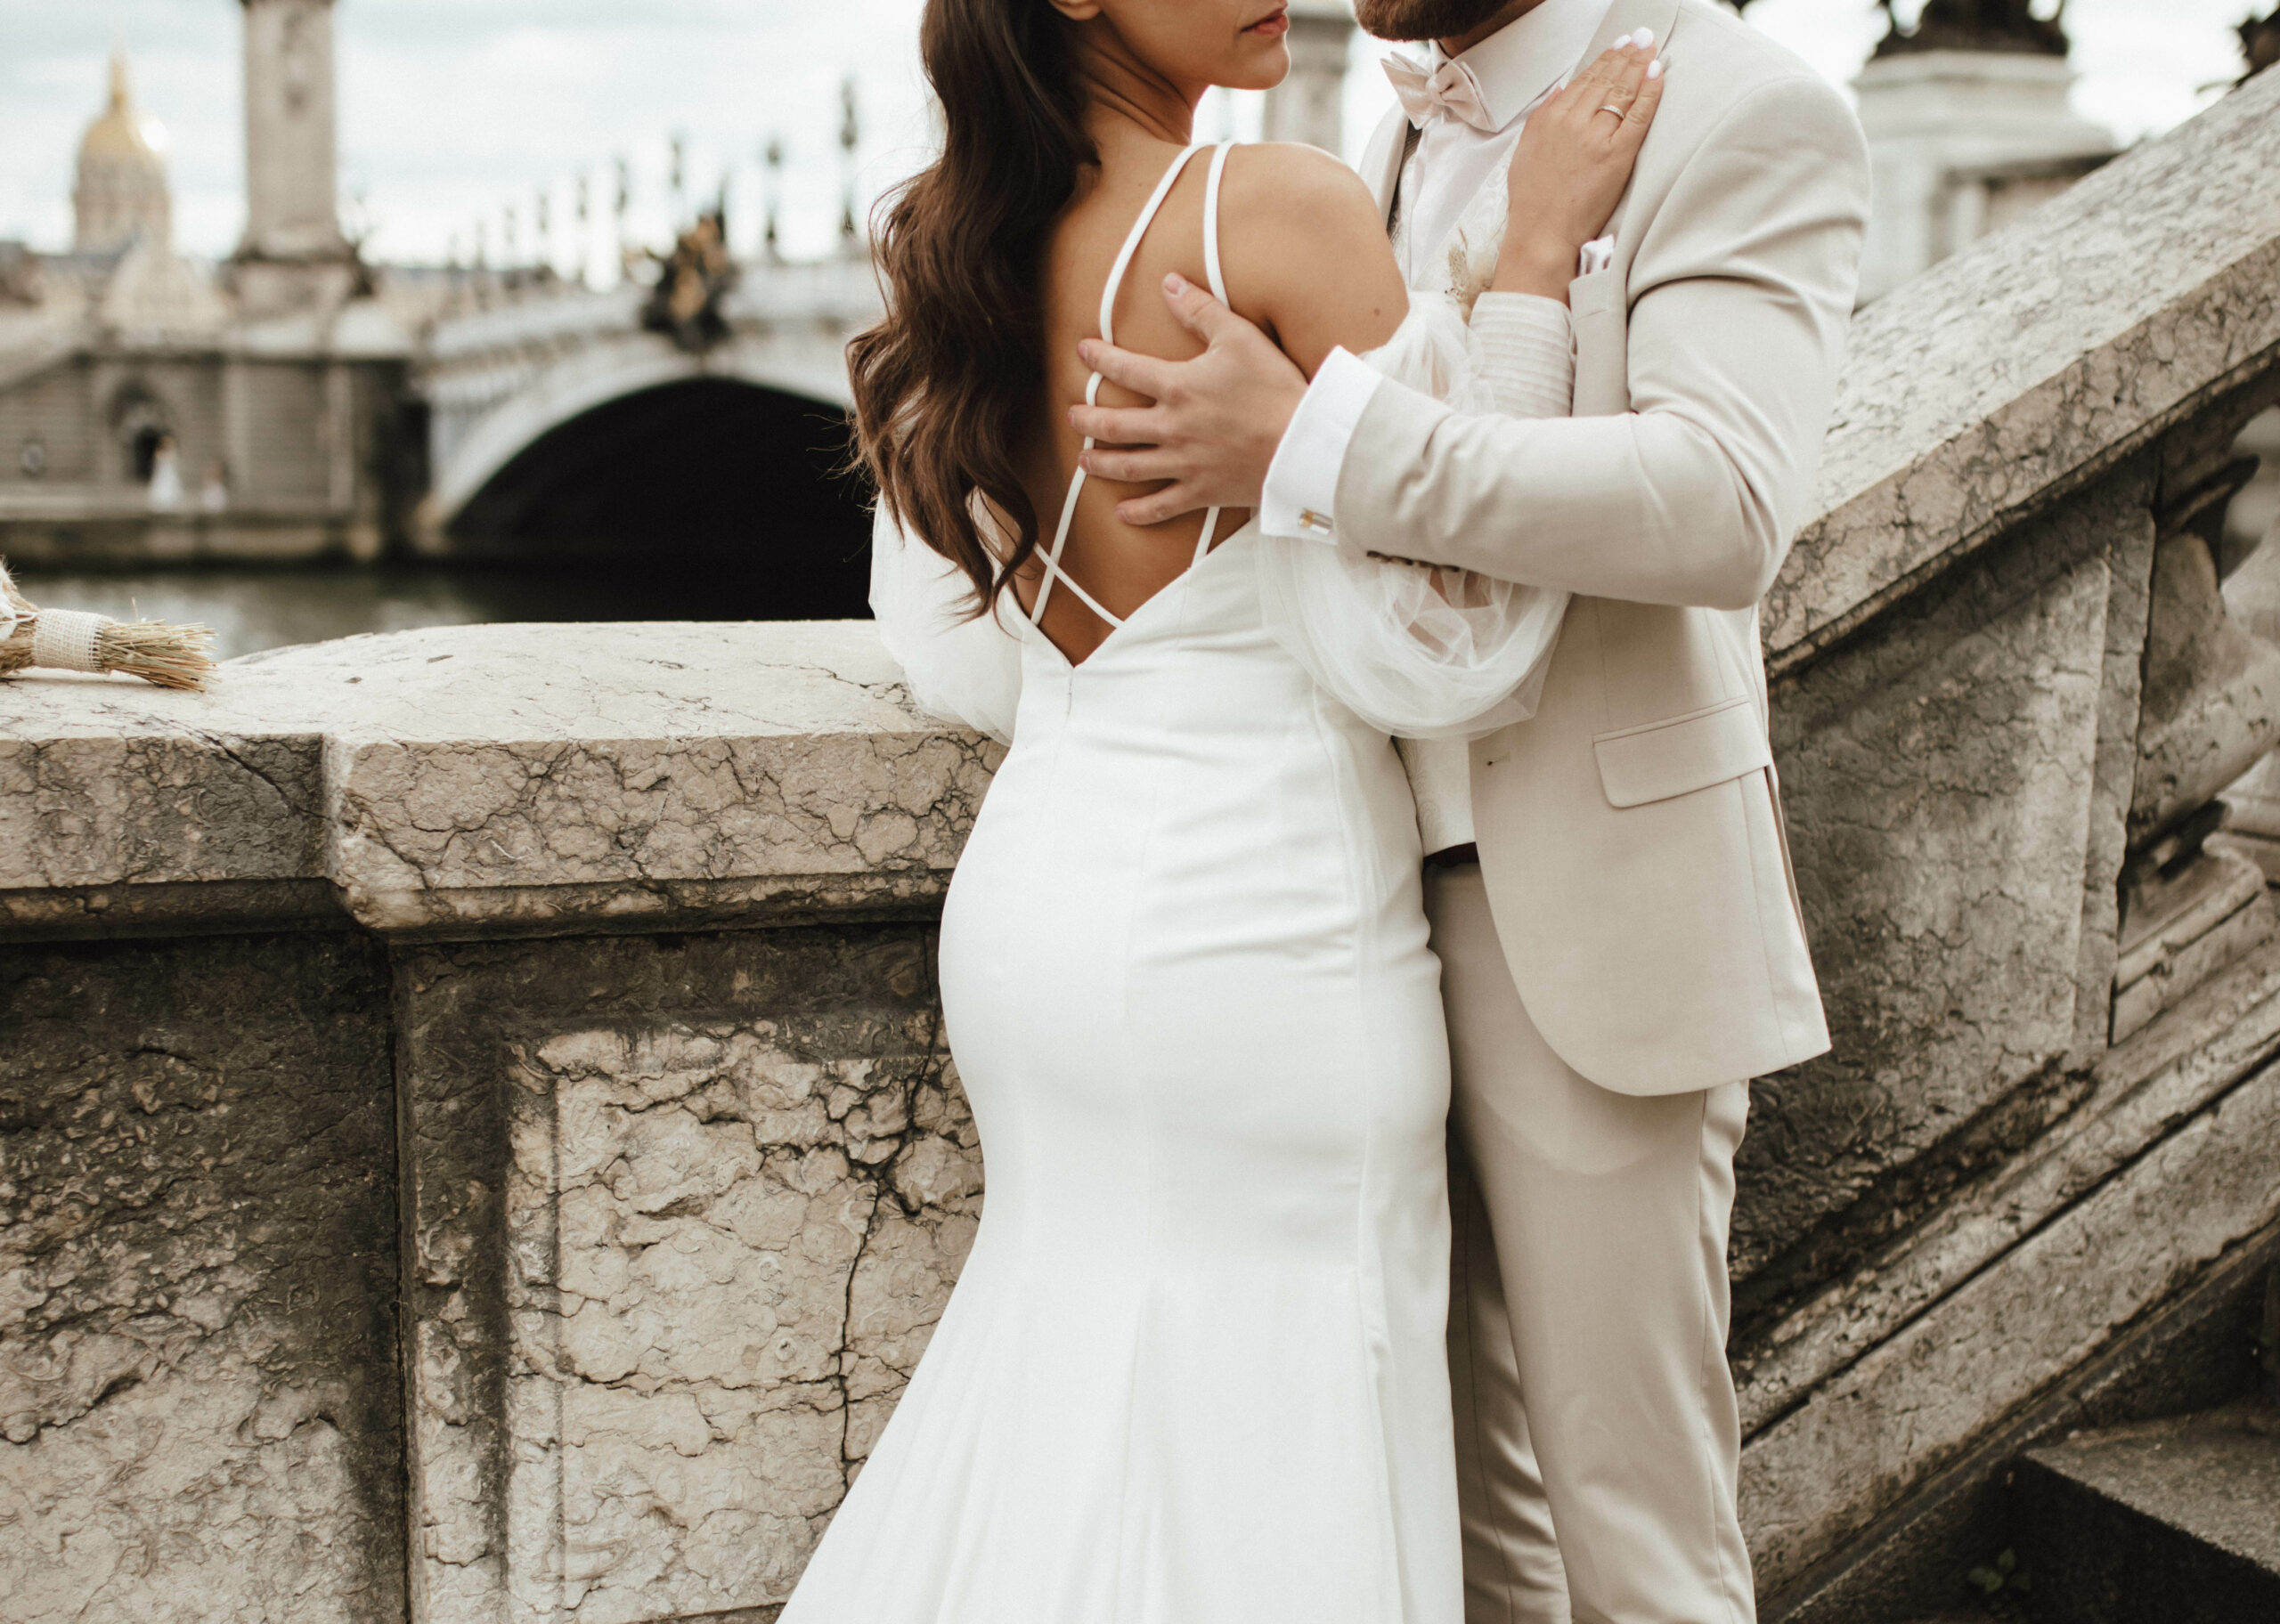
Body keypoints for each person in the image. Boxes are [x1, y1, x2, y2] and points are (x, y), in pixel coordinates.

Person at [778, 0, 1665, 1615]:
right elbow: (1457, 635)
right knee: (1284, 1449)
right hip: (1265, 922)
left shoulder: (958, 245)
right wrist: (1535, 264)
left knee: (1063, 1414)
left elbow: (956, 656)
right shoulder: (1275, 211)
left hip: (1042, 896)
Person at [1064, 1, 1870, 1620]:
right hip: (1340, 914)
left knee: (1635, 1539)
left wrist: (1316, 443)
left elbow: (1722, 504)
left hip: (1586, 899)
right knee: (1462, 1533)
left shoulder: (1737, 102)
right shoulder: (1389, 137)